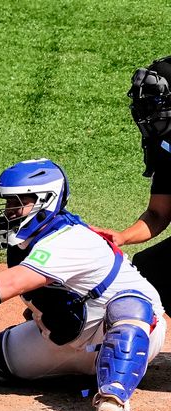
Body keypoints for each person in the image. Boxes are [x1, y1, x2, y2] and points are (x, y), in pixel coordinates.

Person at [0, 158, 166, 411]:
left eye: (17, 203)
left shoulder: (70, 239)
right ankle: (88, 374)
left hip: (134, 330)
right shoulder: (23, 246)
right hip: (70, 337)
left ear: (44, 202)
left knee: (130, 308)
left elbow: (15, 282)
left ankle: (113, 396)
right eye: (7, 204)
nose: (8, 212)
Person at [92, 56, 171, 312]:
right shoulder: (166, 147)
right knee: (150, 268)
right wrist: (122, 237)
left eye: (155, 102)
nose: (146, 112)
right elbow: (158, 214)